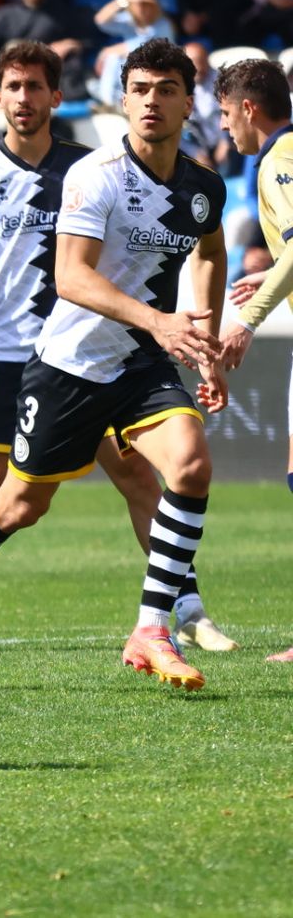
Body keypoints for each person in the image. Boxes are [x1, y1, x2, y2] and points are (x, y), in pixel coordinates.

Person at [0, 38, 231, 693]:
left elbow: (211, 252)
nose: (151, 102)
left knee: (188, 463)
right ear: (122, 99)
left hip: (139, 361)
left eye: (166, 90)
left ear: (188, 103)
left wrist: (208, 341)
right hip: (69, 362)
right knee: (18, 502)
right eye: (139, 90)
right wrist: (162, 319)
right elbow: (72, 278)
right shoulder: (97, 173)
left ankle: (154, 626)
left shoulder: (202, 186)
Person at [212, 58, 293, 663]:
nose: (223, 130)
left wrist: (245, 321)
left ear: (248, 108)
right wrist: (269, 274)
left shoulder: (278, 160)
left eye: (223, 114)